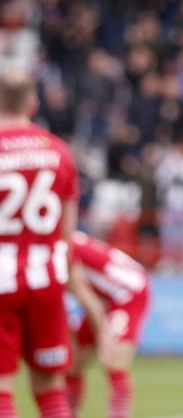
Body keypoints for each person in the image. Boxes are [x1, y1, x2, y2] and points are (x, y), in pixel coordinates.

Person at [0, 70, 108, 418]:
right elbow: (67, 234)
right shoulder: (59, 152)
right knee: (50, 391)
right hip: (46, 281)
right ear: (33, 103)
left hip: (2, 282)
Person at [65, 231, 151, 418]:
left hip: (129, 294)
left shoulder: (62, 248)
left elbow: (85, 296)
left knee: (113, 360)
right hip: (107, 297)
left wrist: (103, 334)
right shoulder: (66, 237)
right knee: (73, 363)